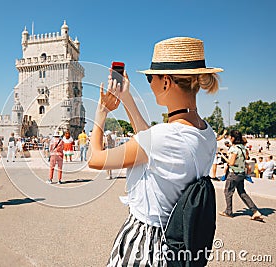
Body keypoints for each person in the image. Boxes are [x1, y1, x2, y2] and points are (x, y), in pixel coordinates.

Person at [88, 37, 223, 266]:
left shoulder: (163, 138)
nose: (149, 84)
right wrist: (126, 98)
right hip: (177, 242)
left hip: (146, 242)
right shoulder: (206, 132)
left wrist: (101, 113)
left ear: (166, 82)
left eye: (151, 77)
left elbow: (95, 159)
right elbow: (150, 141)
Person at [219, 130, 263, 221]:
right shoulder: (243, 147)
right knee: (242, 193)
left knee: (228, 192)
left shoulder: (234, 148)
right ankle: (255, 211)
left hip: (233, 174)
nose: (229, 138)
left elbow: (231, 162)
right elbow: (245, 158)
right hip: (241, 173)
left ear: (233, 138)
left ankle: (228, 211)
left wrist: (223, 157)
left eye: (230, 137)